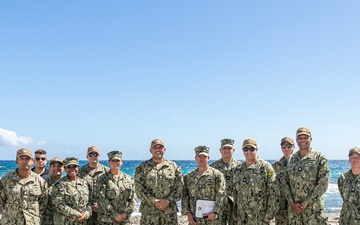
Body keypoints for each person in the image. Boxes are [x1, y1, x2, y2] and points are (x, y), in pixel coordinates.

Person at [283, 127, 329, 224]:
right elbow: (284, 183)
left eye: (305, 137)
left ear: (310, 139)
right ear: (296, 140)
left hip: (314, 211)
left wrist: (306, 202)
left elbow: (323, 184)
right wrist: (292, 203)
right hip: (294, 212)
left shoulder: (319, 158)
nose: (302, 140)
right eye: (300, 138)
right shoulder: (290, 159)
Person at [134, 138, 183, 225]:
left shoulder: (173, 166)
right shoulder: (142, 167)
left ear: (164, 150)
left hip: (169, 212)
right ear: (150, 150)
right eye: (155, 147)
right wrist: (154, 201)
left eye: (160, 147)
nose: (158, 150)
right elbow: (138, 188)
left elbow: (179, 187)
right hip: (149, 212)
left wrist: (168, 201)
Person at [232, 138, 277, 224]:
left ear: (256, 150)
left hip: (259, 217)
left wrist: (270, 214)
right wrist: (235, 211)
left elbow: (274, 192)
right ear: (242, 150)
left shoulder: (265, 167)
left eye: (251, 149)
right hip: (242, 217)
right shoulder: (238, 169)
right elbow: (235, 193)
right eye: (246, 149)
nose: (248, 152)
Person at [0, 147, 48, 224]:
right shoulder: (6, 179)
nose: (24, 161)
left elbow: (43, 202)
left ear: (32, 161)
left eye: (27, 159)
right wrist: (10, 214)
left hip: (32, 222)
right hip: (10, 222)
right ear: (17, 161)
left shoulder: (39, 181)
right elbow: (1, 201)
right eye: (21, 158)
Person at [182, 145, 226, 225]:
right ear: (195, 158)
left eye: (204, 156)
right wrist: (188, 214)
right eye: (199, 156)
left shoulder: (217, 175)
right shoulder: (189, 176)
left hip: (212, 218)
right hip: (195, 219)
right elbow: (185, 196)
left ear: (208, 158)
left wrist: (215, 212)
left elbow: (222, 194)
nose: (202, 159)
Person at [95, 151, 136, 224]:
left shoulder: (129, 179)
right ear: (109, 162)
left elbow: (133, 199)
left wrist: (125, 214)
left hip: (124, 220)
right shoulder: (102, 179)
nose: (115, 163)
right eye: (113, 160)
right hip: (107, 220)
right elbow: (102, 200)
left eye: (118, 160)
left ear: (121, 162)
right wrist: (115, 215)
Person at [52, 157, 92, 224]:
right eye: (69, 167)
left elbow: (90, 201)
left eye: (74, 166)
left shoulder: (84, 183)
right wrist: (77, 215)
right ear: (65, 169)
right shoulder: (59, 184)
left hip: (82, 222)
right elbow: (59, 205)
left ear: (78, 168)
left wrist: (86, 214)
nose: (72, 169)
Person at [210, 138, 240, 225]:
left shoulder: (240, 167)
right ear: (220, 150)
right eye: (224, 148)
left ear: (233, 150)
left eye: (229, 148)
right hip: (217, 206)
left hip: (234, 206)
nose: (226, 150)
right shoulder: (213, 167)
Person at [78, 145, 109, 225]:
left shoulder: (106, 171)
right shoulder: (80, 172)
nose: (93, 157)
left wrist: (101, 204)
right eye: (91, 155)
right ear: (87, 157)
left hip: (103, 209)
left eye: (96, 155)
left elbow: (110, 190)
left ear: (99, 156)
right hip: (86, 210)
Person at [271, 137, 295, 225]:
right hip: (281, 207)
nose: (286, 148)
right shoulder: (275, 165)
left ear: (294, 147)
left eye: (289, 146)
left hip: (296, 204)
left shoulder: (300, 163)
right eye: (284, 146)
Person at [338, 147, 360, 225]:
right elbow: (343, 196)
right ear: (349, 159)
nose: (355, 160)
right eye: (352, 157)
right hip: (345, 219)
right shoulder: (343, 177)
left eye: (358, 157)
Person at [43, 157, 64, 225]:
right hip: (47, 221)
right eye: (53, 166)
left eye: (59, 166)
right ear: (49, 168)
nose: (56, 168)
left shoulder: (68, 183)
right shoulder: (42, 184)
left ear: (63, 168)